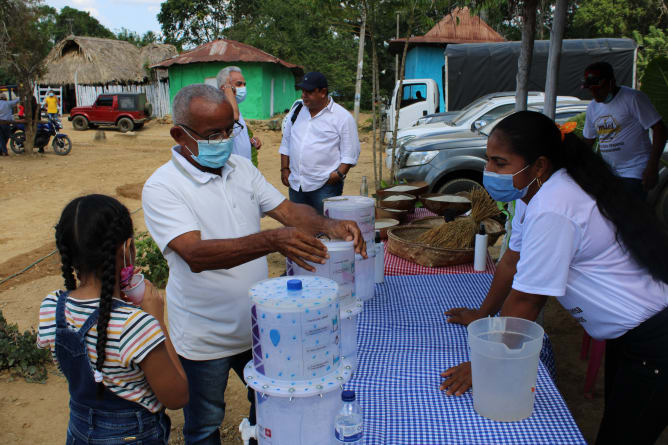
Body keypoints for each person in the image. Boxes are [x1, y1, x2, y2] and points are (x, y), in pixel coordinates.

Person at [142, 83, 366, 445]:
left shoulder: (240, 168)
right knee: (204, 425)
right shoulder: (162, 188)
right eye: (214, 134)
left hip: (261, 327)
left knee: (267, 407)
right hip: (204, 337)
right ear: (179, 135)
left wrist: (329, 224)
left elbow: (286, 210)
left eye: (230, 129)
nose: (225, 139)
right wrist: (271, 240)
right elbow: (195, 254)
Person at [439, 111, 668, 445]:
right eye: (488, 161)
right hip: (632, 335)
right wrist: (483, 314)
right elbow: (509, 263)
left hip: (655, 340)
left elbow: (527, 300)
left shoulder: (554, 207)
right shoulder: (534, 197)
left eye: (500, 163)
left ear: (540, 165)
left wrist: (486, 365)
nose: (489, 172)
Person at [37, 194, 189, 444]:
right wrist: (156, 321)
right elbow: (177, 397)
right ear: (127, 248)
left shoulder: (51, 306)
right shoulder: (136, 325)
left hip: (79, 429)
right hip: (133, 435)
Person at [582, 61, 667, 200]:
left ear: (611, 82)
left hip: (635, 171)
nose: (594, 93)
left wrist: (652, 166)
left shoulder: (633, 98)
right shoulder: (593, 107)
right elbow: (588, 140)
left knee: (627, 214)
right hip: (610, 174)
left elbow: (659, 129)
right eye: (591, 89)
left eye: (598, 88)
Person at [279, 71, 361, 214]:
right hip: (296, 185)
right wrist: (284, 169)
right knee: (300, 228)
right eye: (303, 91)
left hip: (325, 187)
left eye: (309, 91)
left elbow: (350, 153)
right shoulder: (297, 112)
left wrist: (338, 175)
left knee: (326, 229)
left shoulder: (342, 117)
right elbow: (286, 142)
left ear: (323, 92)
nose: (304, 95)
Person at [215, 66, 262, 164]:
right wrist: (227, 87)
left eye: (244, 84)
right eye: (238, 84)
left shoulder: (236, 108)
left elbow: (234, 134)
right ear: (224, 87)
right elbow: (234, 117)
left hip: (243, 168)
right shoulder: (220, 107)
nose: (243, 88)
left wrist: (249, 141)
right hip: (231, 170)